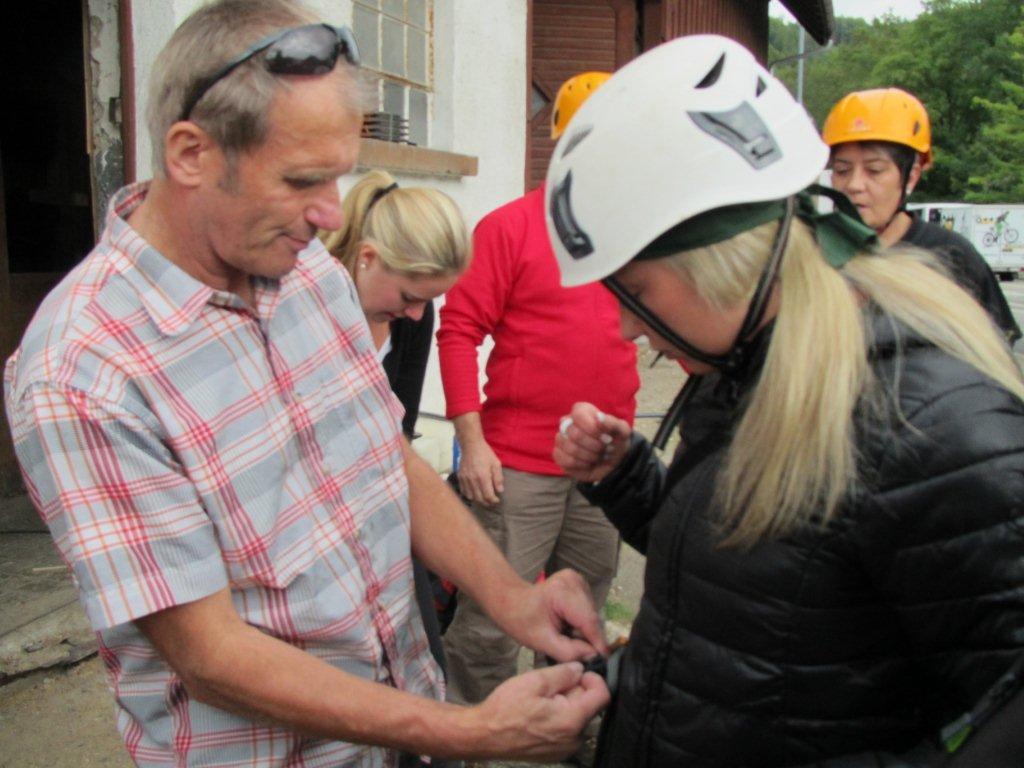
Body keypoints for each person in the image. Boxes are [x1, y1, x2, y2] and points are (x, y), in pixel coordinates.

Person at [2, 3, 610, 766]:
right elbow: (210, 655)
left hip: (402, 718)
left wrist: (514, 598)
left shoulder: (309, 274)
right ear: (191, 153)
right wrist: (469, 730)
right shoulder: (83, 372)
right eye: (302, 180)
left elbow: (388, 461)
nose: (330, 212)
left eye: (338, 175)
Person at [545, 35, 1024, 767]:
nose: (625, 326)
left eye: (635, 290)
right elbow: (755, 583)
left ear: (722, 262)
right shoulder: (745, 371)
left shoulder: (928, 429)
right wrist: (626, 480)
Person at [437, 71, 639, 705]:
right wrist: (473, 444)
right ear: (561, 143)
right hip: (517, 467)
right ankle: (471, 735)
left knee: (583, 616)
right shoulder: (510, 228)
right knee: (491, 623)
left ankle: (563, 729)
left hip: (604, 465)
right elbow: (458, 331)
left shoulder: (635, 234)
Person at [320, 169, 469, 687]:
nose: (418, 313)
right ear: (366, 257)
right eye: (410, 296)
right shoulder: (311, 310)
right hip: (318, 523)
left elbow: (397, 429)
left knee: (421, 650)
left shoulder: (410, 317)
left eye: (429, 300)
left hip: (376, 504)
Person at [823, 87, 1021, 343]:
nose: (854, 185)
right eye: (842, 170)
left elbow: (998, 350)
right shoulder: (812, 252)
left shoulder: (952, 257)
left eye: (874, 170)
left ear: (912, 176)